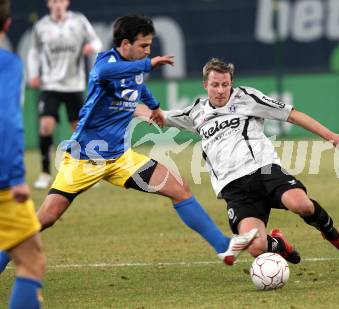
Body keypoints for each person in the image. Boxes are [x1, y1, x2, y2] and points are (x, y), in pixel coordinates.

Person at [0, 16, 257, 274]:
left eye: (149, 47)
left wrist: (155, 107)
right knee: (47, 217)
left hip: (120, 159)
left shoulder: (134, 68)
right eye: (144, 46)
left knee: (179, 188)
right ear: (125, 44)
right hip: (85, 158)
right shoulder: (107, 63)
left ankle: (222, 245)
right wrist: (148, 64)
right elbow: (102, 73)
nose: (148, 51)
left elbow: (139, 88)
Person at [163, 58, 339, 263]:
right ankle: (279, 244)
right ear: (205, 85)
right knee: (256, 247)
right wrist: (129, 104)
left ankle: (332, 234)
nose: (220, 90)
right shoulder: (195, 112)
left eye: (225, 84)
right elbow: (159, 116)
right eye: (215, 85)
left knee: (302, 205)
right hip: (233, 187)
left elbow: (292, 115)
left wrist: (332, 137)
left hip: (264, 170)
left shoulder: (246, 98)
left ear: (231, 83)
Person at [28, 0, 103, 189]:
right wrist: (33, 74)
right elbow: (33, 52)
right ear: (48, 4)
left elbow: (97, 41)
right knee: (46, 125)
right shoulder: (41, 26)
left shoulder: (78, 21)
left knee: (78, 129)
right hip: (51, 84)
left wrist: (91, 48)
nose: (58, 4)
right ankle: (45, 173)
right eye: (54, 1)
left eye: (61, 0)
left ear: (67, 2)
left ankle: (85, 170)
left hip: (74, 85)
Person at [0, 1, 46, 307]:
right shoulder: (8, 63)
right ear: (7, 25)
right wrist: (16, 177)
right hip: (3, 183)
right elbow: (7, 120)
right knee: (31, 261)